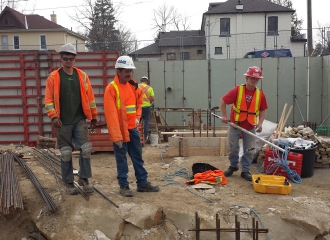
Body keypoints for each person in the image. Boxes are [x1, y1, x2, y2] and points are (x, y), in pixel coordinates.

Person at [44, 43, 97, 195]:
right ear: (61, 58)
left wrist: (93, 116)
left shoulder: (82, 76)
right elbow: (48, 100)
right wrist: (53, 116)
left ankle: (84, 178)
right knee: (66, 152)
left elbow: (90, 98)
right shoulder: (53, 77)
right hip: (62, 121)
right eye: (66, 58)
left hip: (79, 118)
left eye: (71, 58)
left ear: (75, 59)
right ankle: (68, 181)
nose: (68, 61)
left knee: (85, 149)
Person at [103, 56, 159, 197]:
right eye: (126, 71)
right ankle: (124, 186)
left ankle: (142, 183)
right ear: (118, 71)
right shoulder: (112, 89)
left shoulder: (134, 87)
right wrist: (116, 136)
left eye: (130, 71)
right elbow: (111, 115)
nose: (129, 74)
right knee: (121, 159)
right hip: (120, 131)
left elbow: (139, 103)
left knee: (137, 157)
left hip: (132, 129)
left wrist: (136, 117)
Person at [220, 66, 268, 181]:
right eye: (251, 78)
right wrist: (225, 116)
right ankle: (233, 166)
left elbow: (262, 110)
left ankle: (245, 170)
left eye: (256, 79)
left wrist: (260, 123)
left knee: (249, 149)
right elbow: (223, 101)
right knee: (232, 147)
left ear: (259, 80)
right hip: (235, 124)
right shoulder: (238, 90)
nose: (253, 81)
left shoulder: (260, 94)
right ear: (247, 78)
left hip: (250, 126)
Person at [138, 76, 155, 141]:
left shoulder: (137, 87)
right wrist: (149, 101)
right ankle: (144, 138)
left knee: (137, 122)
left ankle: (137, 137)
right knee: (146, 122)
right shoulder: (149, 88)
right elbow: (153, 98)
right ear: (147, 81)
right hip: (147, 107)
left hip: (138, 107)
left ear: (141, 81)